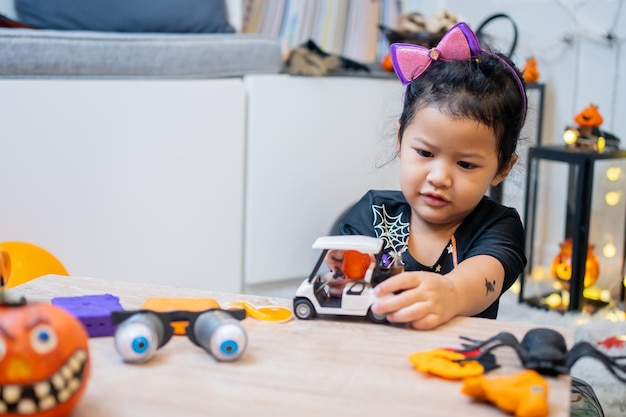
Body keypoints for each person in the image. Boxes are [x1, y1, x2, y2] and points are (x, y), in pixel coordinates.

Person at [330, 22, 528, 330]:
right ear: (400, 141)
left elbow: (485, 276)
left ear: (502, 168)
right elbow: (353, 271)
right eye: (425, 153)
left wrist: (451, 293)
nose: (439, 177)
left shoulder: (497, 226)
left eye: (465, 164)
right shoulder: (372, 213)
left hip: (456, 364)